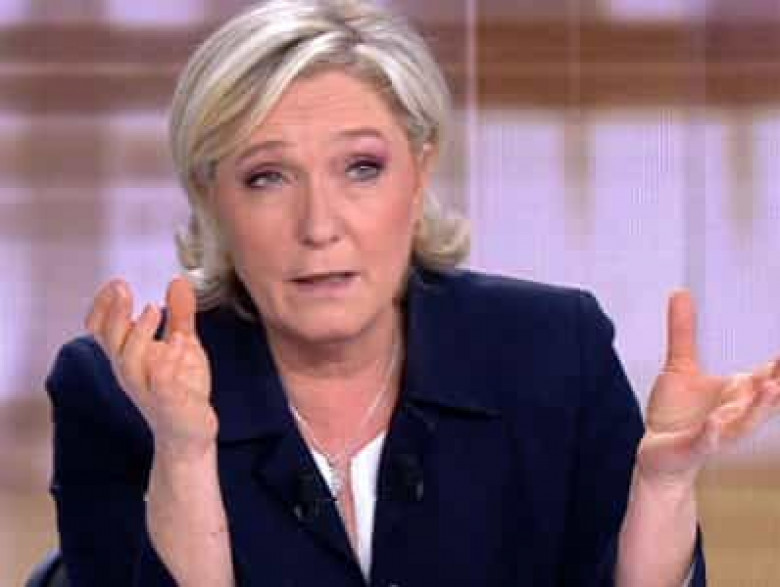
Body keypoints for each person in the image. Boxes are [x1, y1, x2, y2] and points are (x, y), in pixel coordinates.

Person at [46, 1, 779, 585]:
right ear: (211, 197)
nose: (319, 225)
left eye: (361, 168)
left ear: (421, 170)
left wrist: (663, 488)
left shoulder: (554, 351)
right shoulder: (116, 392)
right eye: (267, 176)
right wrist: (183, 453)